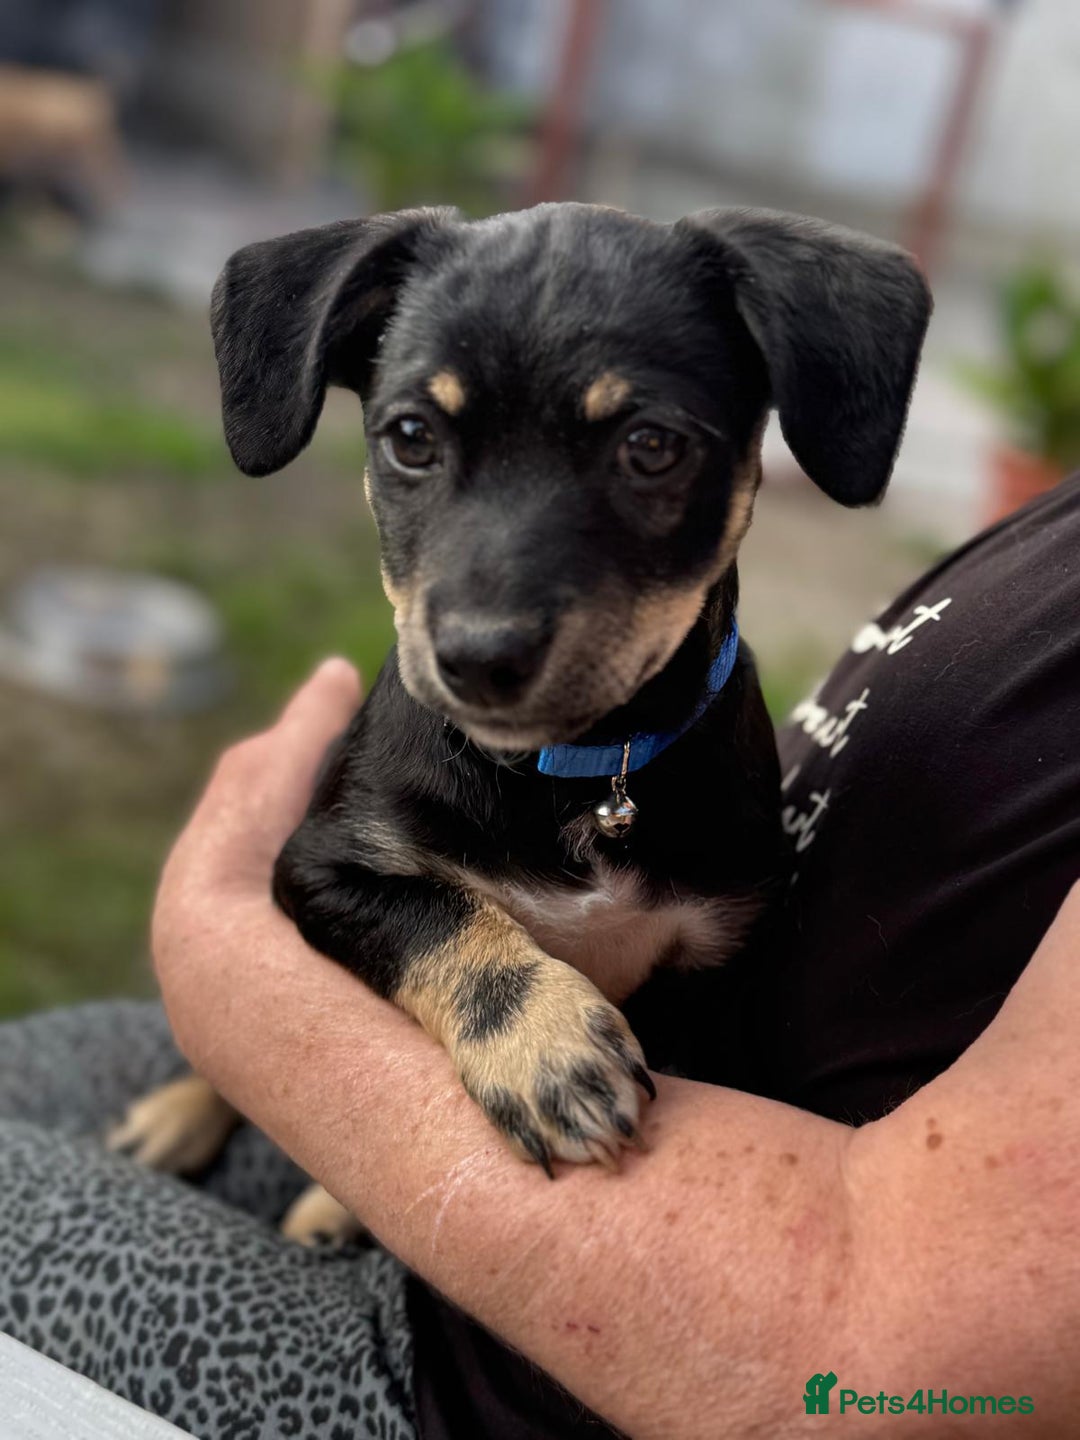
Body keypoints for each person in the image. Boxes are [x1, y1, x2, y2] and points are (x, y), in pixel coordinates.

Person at [1, 476, 1077, 1439]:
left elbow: (888, 1373)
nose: (485, 624)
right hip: (475, 1127)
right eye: (417, 440)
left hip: (490, 1367)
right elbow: (345, 888)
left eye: (649, 451)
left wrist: (224, 976)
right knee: (38, 1070)